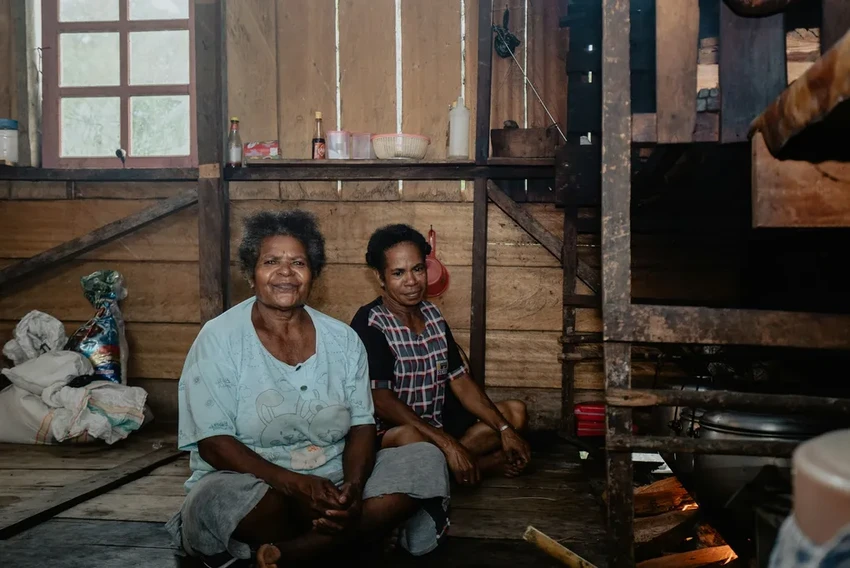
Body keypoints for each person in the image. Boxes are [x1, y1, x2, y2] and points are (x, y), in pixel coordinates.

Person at [166, 211, 451, 568]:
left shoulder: (343, 339)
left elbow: (362, 425)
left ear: (312, 273)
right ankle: (348, 537)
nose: (285, 272)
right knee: (215, 499)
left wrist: (354, 489)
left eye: (298, 262)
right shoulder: (218, 338)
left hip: (333, 484)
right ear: (251, 275)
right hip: (256, 487)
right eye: (271, 261)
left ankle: (292, 553)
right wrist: (295, 486)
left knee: (424, 459)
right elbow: (213, 442)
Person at [350, 224, 532, 487]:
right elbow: (381, 401)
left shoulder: (433, 316)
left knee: (515, 413)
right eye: (398, 273)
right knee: (411, 439)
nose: (411, 281)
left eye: (418, 269)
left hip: (437, 430)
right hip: (393, 436)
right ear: (380, 277)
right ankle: (480, 465)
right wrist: (447, 444)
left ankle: (454, 465)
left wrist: (505, 430)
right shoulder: (371, 323)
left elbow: (460, 381)